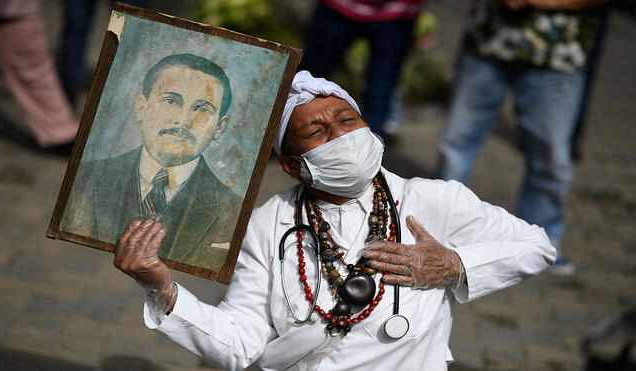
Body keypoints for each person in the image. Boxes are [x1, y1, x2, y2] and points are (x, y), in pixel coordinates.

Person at [112, 71, 556, 370]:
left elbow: (537, 246)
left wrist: (454, 264)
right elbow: (240, 344)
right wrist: (161, 288)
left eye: (347, 120)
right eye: (317, 132)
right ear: (291, 165)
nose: (340, 135)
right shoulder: (269, 223)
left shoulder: (433, 199)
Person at [437, 0, 609, 276]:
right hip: (487, 40)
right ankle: (438, 230)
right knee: (456, 142)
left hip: (557, 53)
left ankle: (542, 244)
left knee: (551, 157)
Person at [64, 54, 242, 271]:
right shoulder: (85, 179)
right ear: (141, 107)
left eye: (202, 109)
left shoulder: (233, 213)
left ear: (220, 127)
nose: (183, 120)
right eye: (171, 100)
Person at [300, 0, 425, 138]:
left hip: (398, 12)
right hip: (340, 7)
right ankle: (288, 139)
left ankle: (371, 151)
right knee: (306, 82)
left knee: (380, 92)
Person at [0, 0, 79, 151]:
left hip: (17, 11)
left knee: (35, 70)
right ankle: (61, 132)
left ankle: (61, 133)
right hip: (17, 10)